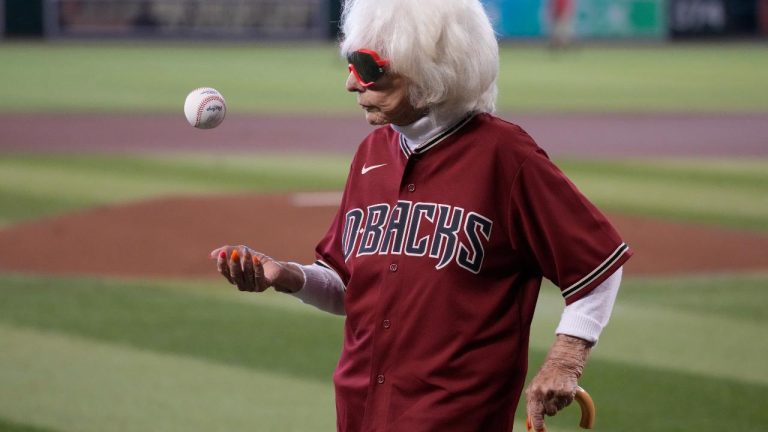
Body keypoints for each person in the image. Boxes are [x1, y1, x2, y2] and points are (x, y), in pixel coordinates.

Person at [210, 0, 632, 430]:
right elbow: (348, 286)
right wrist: (286, 276)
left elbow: (598, 262)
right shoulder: (370, 155)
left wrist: (565, 359)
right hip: (360, 413)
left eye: (367, 67)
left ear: (430, 68)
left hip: (454, 418)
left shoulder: (504, 156)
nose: (352, 84)